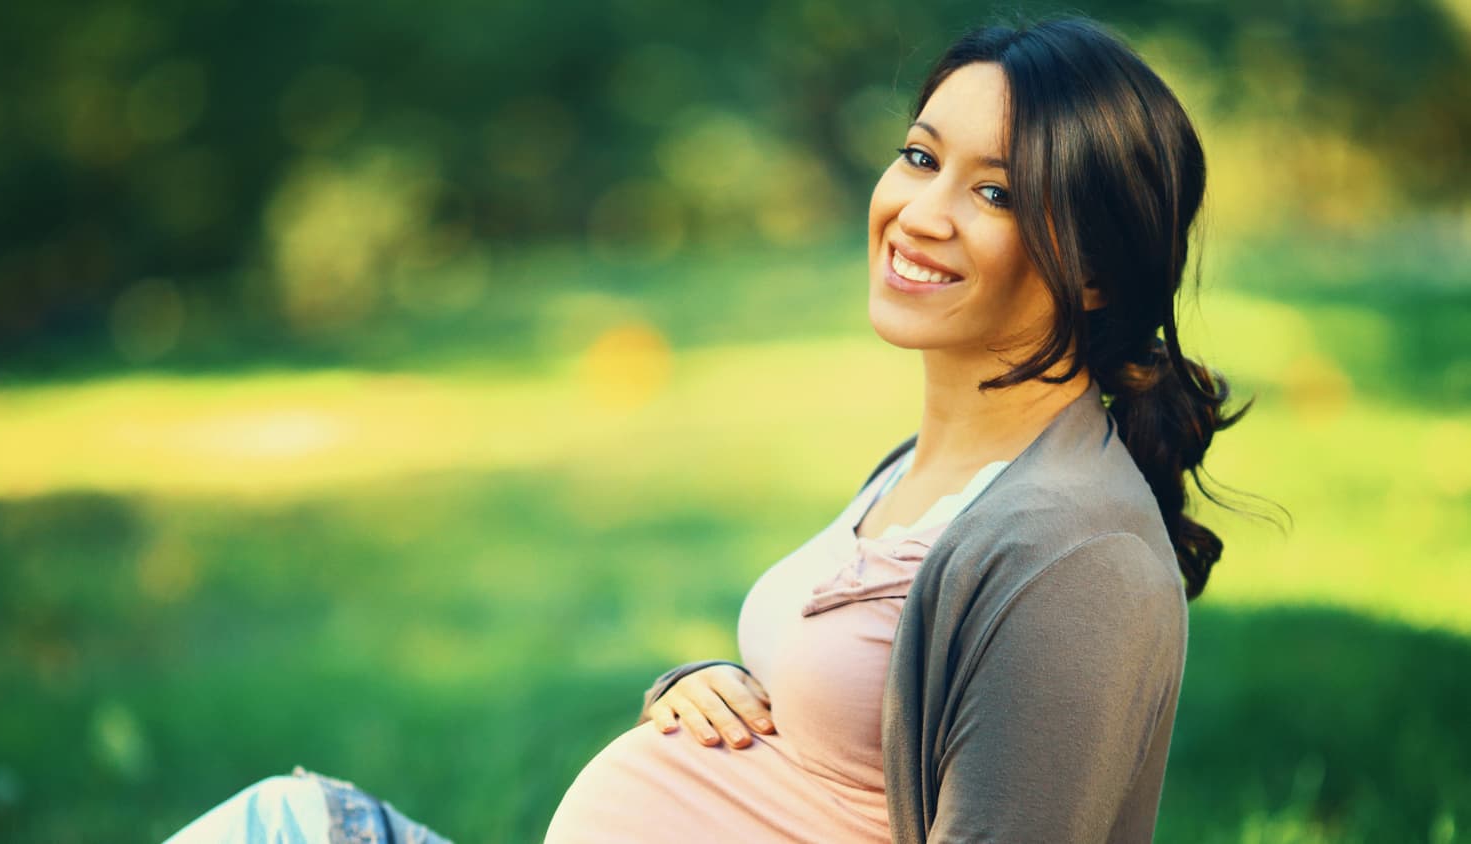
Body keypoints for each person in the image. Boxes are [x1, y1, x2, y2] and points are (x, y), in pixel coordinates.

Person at [163, 12, 1254, 844]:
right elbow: (840, 734)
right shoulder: (929, 472)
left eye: (1000, 194)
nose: (921, 211)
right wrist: (700, 691)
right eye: (921, 157)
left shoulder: (1079, 553)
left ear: (1102, 267)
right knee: (285, 818)